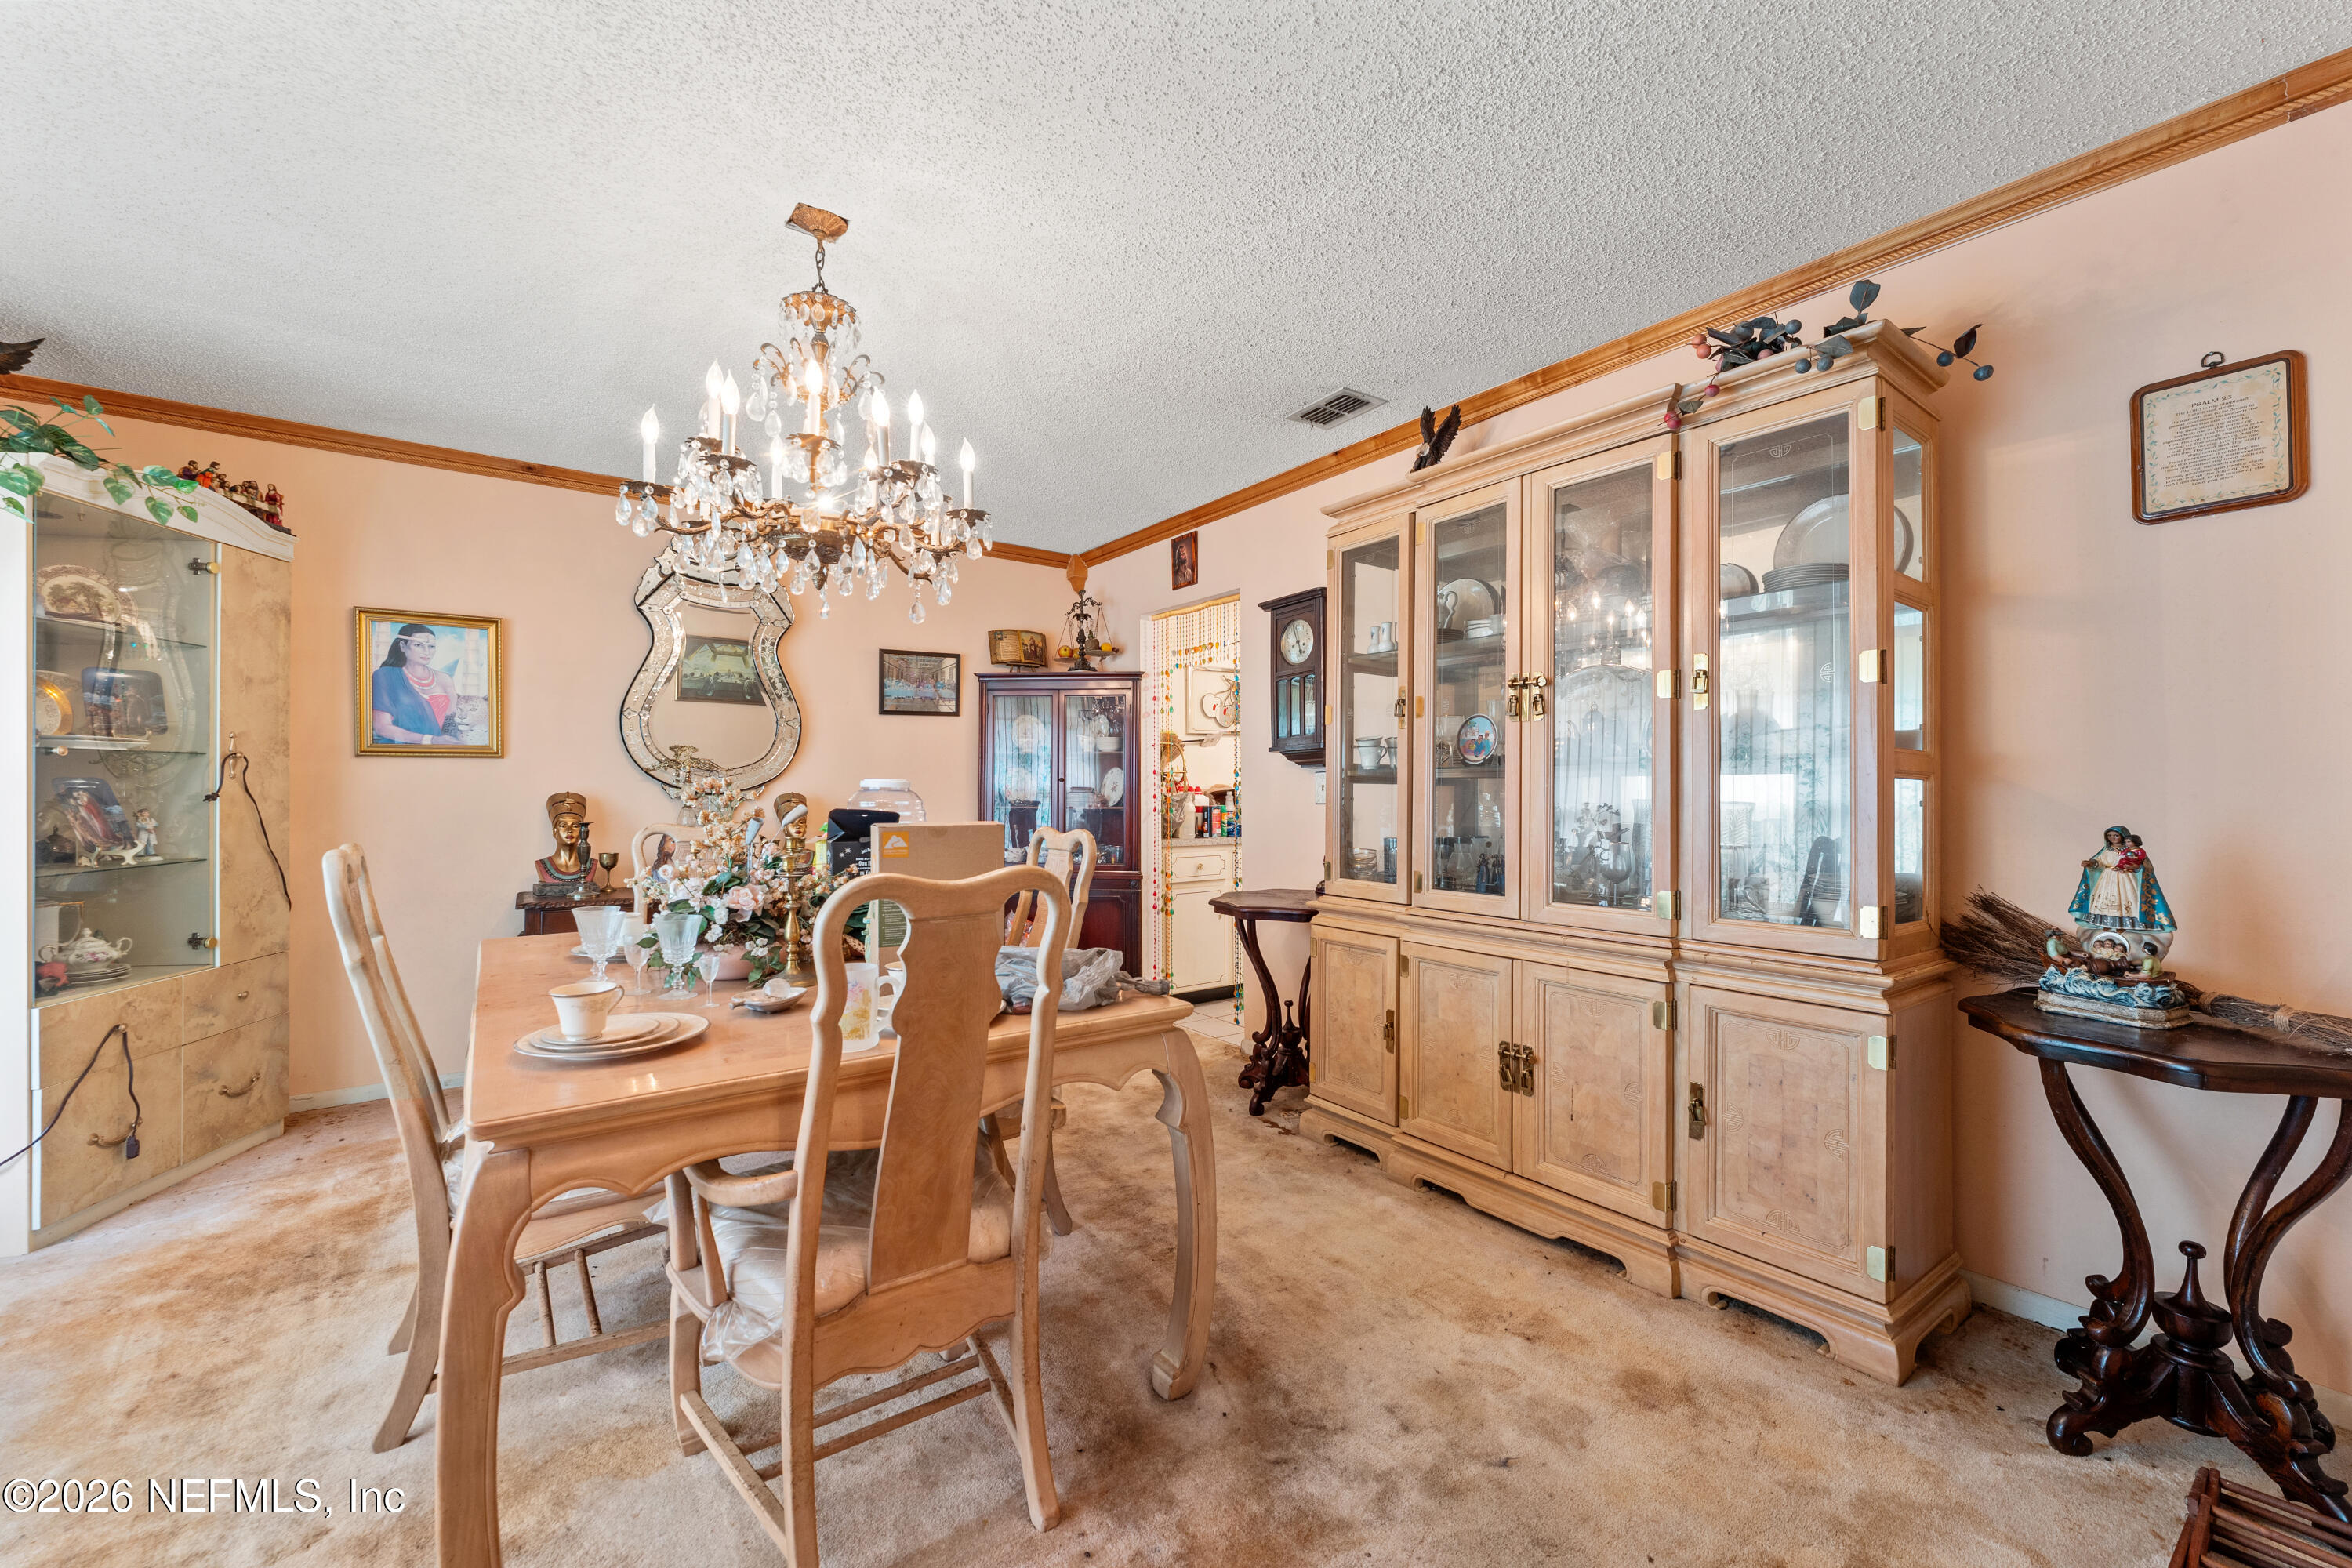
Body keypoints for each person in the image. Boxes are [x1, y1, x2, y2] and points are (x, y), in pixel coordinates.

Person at [2070, 824, 2176, 933]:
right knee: (2106, 900)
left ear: (2123, 836)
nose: (2112, 838)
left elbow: (2143, 865)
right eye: (2110, 836)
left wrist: (2135, 867)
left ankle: (2123, 924)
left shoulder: (2131, 850)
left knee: (2126, 899)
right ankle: (2106, 923)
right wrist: (2090, 863)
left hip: (2125, 877)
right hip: (2107, 878)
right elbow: (2099, 862)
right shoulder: (2106, 850)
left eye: (2116, 835)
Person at [371, 623, 459, 744]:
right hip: (398, 751)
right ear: (403, 646)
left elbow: (453, 722)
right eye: (418, 645)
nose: (427, 652)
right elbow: (382, 727)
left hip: (440, 751)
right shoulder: (385, 676)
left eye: (432, 646)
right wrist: (431, 740)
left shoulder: (445, 679)